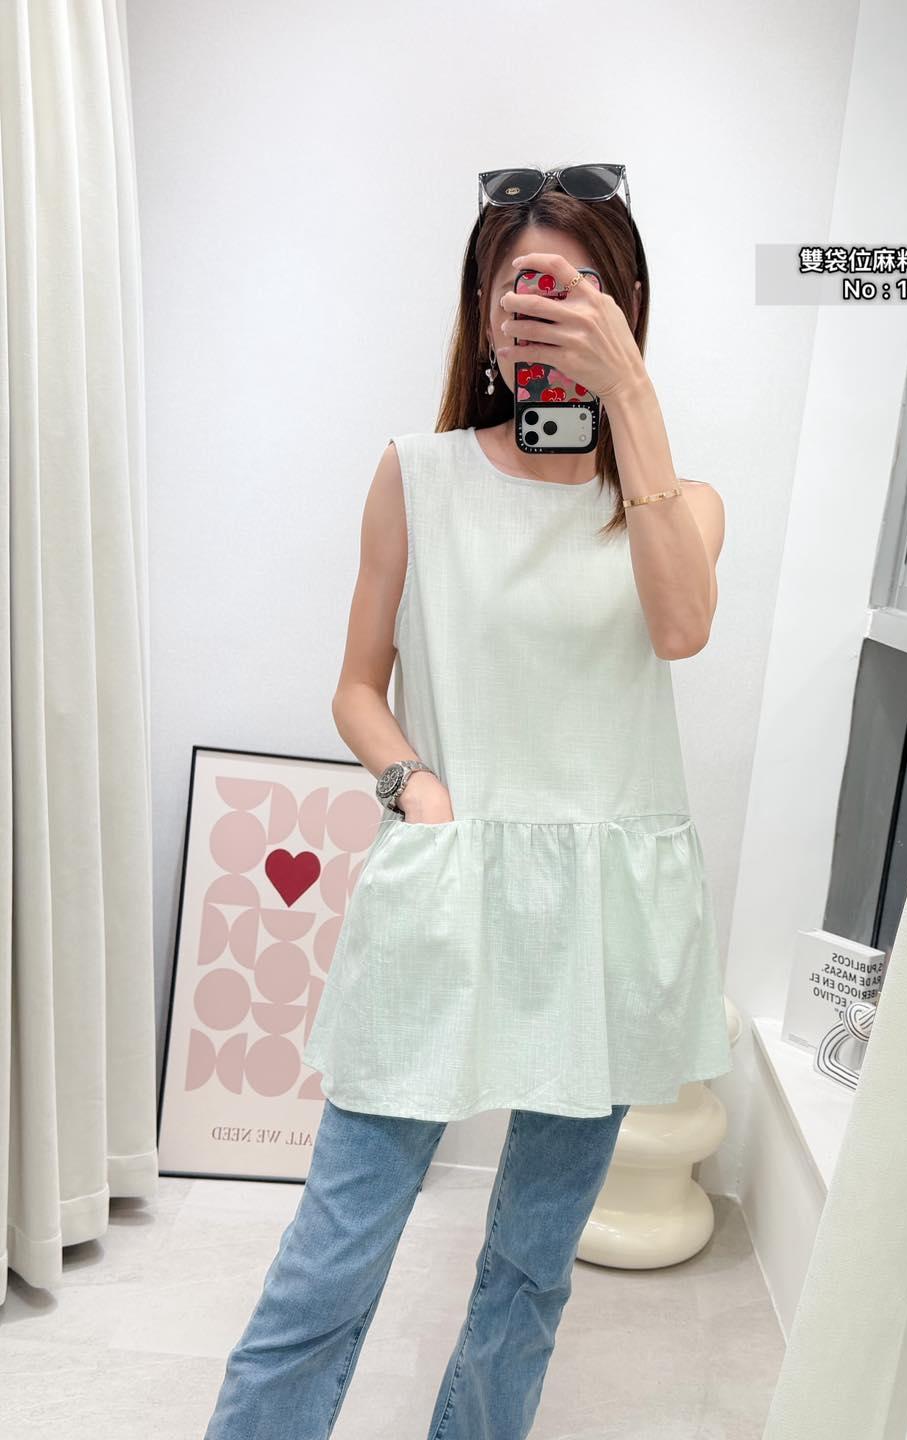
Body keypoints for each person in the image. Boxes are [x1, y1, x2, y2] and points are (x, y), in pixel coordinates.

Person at [203, 162, 731, 1440]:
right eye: (525, 287)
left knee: (530, 1271)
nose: (552, 309)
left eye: (586, 287)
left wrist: (633, 402)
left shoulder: (681, 503)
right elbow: (356, 686)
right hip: (446, 880)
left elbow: (680, 629)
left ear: (629, 309)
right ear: (483, 311)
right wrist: (415, 784)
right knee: (333, 1261)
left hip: (606, 916)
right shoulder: (417, 475)